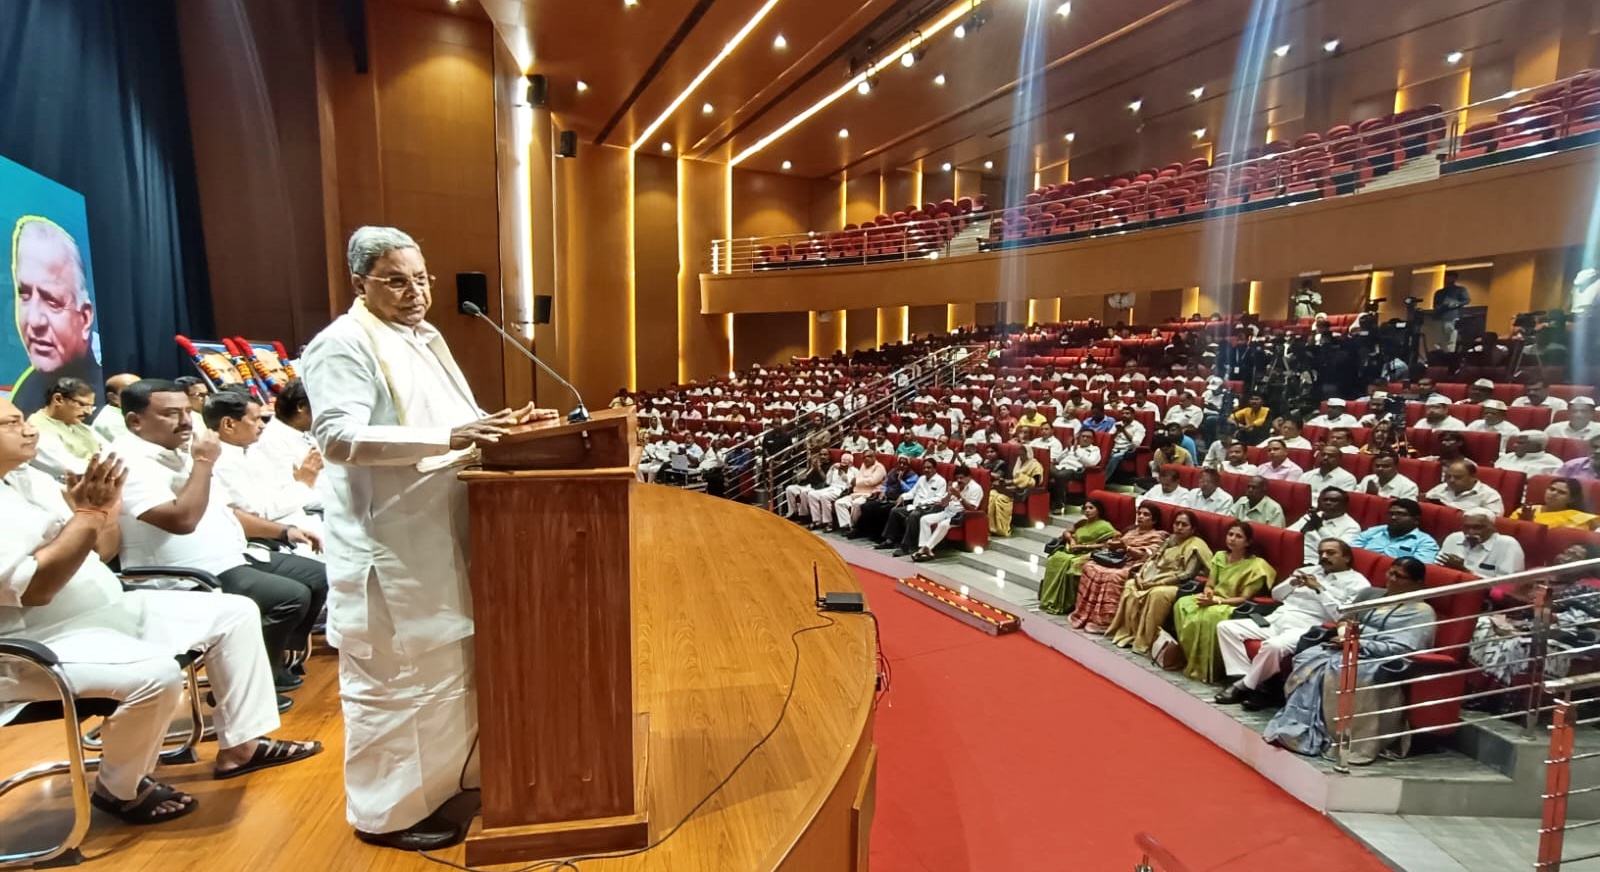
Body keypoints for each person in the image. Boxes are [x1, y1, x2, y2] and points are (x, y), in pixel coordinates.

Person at [300, 226, 559, 849]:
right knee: (395, 684)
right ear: (360, 282)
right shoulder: (343, 344)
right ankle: (387, 814)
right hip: (386, 551)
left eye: (420, 277)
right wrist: (453, 438)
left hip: (438, 540)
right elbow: (335, 437)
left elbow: (460, 426)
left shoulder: (422, 337)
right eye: (396, 279)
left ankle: (445, 785)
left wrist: (503, 428)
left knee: (447, 675)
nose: (414, 291)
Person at [0, 400, 320, 825]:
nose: (28, 430)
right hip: (38, 644)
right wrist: (88, 515)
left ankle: (242, 745)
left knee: (235, 612)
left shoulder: (29, 480)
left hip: (107, 609)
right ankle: (119, 788)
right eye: (10, 424)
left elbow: (101, 550)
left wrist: (101, 514)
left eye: (23, 419)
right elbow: (38, 590)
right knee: (155, 674)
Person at [113, 379, 329, 692]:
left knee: (317, 576)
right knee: (288, 597)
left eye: (188, 411)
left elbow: (229, 512)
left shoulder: (182, 452)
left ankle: (274, 660)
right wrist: (203, 463)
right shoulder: (129, 461)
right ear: (136, 421)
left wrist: (284, 531)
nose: (186, 421)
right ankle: (245, 688)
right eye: (171, 414)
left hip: (231, 555)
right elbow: (182, 520)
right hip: (185, 575)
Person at [1263, 558, 1436, 763]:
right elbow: (1347, 618)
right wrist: (1344, 632)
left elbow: (1402, 648)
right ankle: (1303, 728)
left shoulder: (1421, 612)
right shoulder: (1373, 595)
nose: (1391, 579)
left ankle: (1339, 738)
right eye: (1390, 572)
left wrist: (1356, 644)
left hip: (1381, 660)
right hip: (1348, 647)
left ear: (1418, 583)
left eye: (1399, 576)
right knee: (1309, 658)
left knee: (1340, 670)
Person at [1214, 539, 1370, 707]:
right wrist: (1291, 583)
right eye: (1321, 553)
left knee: (1273, 646)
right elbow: (1276, 595)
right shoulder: (1308, 570)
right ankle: (1244, 679)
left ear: (1346, 558)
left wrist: (1319, 589)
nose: (1324, 557)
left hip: (1306, 627)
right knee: (1226, 627)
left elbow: (1342, 615)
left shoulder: (1358, 583)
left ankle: (1241, 686)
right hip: (1277, 619)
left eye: (1331, 553)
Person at [1469, 543, 1600, 703]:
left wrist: (1535, 617)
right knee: (1482, 625)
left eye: (1575, 556)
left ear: (1588, 566)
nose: (1565, 557)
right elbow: (1503, 589)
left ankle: (1501, 699)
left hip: (1565, 635)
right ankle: (1475, 688)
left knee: (1517, 643)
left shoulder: (1589, 588)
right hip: (1527, 622)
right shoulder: (1541, 573)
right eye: (1566, 551)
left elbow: (1584, 621)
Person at [205, 390, 323, 549]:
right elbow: (258, 514)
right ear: (229, 424)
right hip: (273, 538)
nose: (262, 425)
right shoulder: (221, 462)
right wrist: (304, 483)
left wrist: (300, 485)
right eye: (255, 419)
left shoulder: (252, 449)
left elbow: (283, 492)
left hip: (300, 521)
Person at [7, 217, 102, 414]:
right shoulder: (25, 392)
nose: (34, 320)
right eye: (24, 295)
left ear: (85, 318)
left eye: (52, 301)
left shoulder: (102, 402)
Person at [1173, 521, 1277, 683]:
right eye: (1230, 534)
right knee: (1183, 603)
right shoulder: (1220, 556)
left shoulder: (1257, 566)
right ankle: (1191, 659)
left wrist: (1217, 601)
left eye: (1238, 536)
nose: (1233, 539)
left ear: (1248, 542)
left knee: (1208, 616)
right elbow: (1210, 584)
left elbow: (1244, 598)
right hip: (1213, 599)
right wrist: (1208, 594)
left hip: (1231, 604)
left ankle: (1210, 669)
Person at [1105, 510, 1214, 654]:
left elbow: (1187, 574)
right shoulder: (1170, 539)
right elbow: (1154, 559)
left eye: (1184, 525)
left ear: (1192, 529)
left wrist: (1156, 583)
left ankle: (1146, 640)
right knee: (1131, 585)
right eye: (1177, 523)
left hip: (1175, 584)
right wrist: (1140, 575)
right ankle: (1129, 632)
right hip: (1156, 576)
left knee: (1157, 594)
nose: (1179, 527)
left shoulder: (1196, 545)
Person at [1068, 503, 1169, 633]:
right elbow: (1116, 546)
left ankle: (1105, 620)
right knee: (1089, 567)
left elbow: (1147, 556)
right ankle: (1086, 614)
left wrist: (1126, 548)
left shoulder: (1158, 536)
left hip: (1135, 565)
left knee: (1112, 576)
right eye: (1139, 514)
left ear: (1154, 520)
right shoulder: (1131, 531)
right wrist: (1112, 544)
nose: (1141, 517)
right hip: (1117, 560)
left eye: (1146, 515)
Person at [1036, 499, 1118, 615]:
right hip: (1073, 549)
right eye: (1085, 508)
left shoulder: (1105, 526)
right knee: (1054, 558)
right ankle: (1051, 598)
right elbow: (1066, 532)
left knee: (1070, 564)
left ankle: (1066, 603)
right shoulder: (1082, 523)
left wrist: (1085, 546)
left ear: (1098, 510)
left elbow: (1108, 544)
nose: (1087, 511)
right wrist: (1072, 540)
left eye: (1091, 508)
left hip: (1087, 552)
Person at [26, 376, 107, 481]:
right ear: (58, 399)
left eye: (91, 406)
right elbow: (73, 469)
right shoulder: (36, 431)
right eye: (82, 404)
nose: (89, 412)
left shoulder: (80, 425)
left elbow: (112, 453)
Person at [911, 466, 983, 561]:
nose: (959, 480)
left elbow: (973, 509)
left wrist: (959, 496)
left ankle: (925, 549)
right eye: (957, 478)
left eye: (961, 478)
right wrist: (949, 494)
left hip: (960, 516)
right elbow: (944, 504)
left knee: (943, 524)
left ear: (969, 477)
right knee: (924, 519)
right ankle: (924, 549)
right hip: (947, 512)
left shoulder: (976, 488)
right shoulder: (955, 485)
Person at [879, 458, 947, 556]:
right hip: (915, 506)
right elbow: (912, 493)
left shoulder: (941, 481)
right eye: (924, 468)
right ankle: (889, 540)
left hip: (929, 508)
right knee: (895, 511)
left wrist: (923, 502)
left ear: (935, 469)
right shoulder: (921, 479)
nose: (926, 470)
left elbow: (939, 499)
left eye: (929, 467)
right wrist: (903, 496)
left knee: (914, 516)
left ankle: (906, 546)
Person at [1438, 508, 1525, 578]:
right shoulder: (1453, 538)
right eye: (1466, 527)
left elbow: (1507, 586)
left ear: (1492, 527)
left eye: (1477, 528)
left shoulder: (1507, 545)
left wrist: (1465, 572)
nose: (1470, 532)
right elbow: (1437, 569)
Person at [1288, 487, 1362, 566]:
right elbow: (1288, 533)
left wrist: (1320, 527)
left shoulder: (1352, 527)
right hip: (1290, 554)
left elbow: (1339, 550)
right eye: (1325, 500)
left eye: (1333, 500)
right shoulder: (1313, 516)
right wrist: (1302, 530)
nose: (1328, 503)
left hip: (1315, 563)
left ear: (1345, 504)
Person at [1352, 498, 1440, 562]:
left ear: (1416, 520)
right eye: (1391, 513)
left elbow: (1417, 570)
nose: (1393, 517)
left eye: (1400, 514)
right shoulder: (1375, 531)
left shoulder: (1426, 542)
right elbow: (1351, 550)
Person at [853, 455, 918, 541]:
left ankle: (879, 535)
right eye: (900, 463)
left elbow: (910, 491)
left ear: (908, 465)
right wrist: (883, 491)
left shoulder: (912, 475)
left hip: (899, 500)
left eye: (904, 464)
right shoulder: (892, 471)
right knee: (866, 506)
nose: (902, 465)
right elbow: (885, 484)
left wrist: (900, 481)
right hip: (886, 497)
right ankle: (863, 531)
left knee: (882, 510)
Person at [987, 443, 1043, 537]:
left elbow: (1035, 482)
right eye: (1019, 454)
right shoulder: (1018, 462)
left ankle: (1002, 529)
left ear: (1029, 454)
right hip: (1011, 487)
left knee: (1001, 499)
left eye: (1023, 455)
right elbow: (1013, 479)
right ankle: (991, 528)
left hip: (1022, 490)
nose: (1021, 457)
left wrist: (1016, 482)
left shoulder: (1035, 465)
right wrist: (1007, 482)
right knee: (992, 495)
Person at [1425, 459, 1505, 515]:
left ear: (1473, 476)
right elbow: (1425, 501)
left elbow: (1494, 521)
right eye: (1448, 476)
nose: (1451, 480)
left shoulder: (1489, 495)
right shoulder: (1442, 487)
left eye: (1458, 477)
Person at [1048, 429, 1101, 513]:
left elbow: (1091, 463)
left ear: (1092, 440)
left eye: (1088, 437)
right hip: (1061, 467)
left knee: (1061, 475)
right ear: (1079, 438)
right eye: (1083, 436)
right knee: (1045, 469)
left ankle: (1059, 505)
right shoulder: (1073, 447)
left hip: (1076, 471)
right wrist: (1068, 449)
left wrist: (1077, 451)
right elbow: (1057, 460)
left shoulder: (1094, 450)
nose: (1085, 439)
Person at [1518, 477, 1599, 530]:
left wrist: (1530, 524)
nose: (1554, 494)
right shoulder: (1526, 510)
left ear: (1572, 499)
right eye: (1552, 489)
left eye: (1562, 492)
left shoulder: (1578, 519)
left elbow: (1560, 541)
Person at [804, 453, 857, 531]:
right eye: (842, 462)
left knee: (824, 496)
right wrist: (831, 469)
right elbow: (828, 482)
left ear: (851, 463)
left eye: (846, 462)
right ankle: (817, 520)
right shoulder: (836, 468)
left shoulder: (854, 471)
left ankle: (829, 522)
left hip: (842, 490)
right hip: (831, 487)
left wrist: (845, 477)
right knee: (812, 494)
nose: (843, 464)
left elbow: (853, 485)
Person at [833, 453, 886, 530]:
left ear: (874, 457)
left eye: (869, 456)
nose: (866, 459)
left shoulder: (879, 467)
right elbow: (857, 480)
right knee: (839, 503)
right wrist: (853, 483)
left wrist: (856, 481)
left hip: (869, 494)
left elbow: (872, 481)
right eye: (864, 457)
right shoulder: (863, 465)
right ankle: (847, 526)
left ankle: (853, 527)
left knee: (856, 503)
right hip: (856, 493)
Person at [91, 372, 140, 443]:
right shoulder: (111, 421)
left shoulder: (130, 411)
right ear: (113, 398)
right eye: (133, 391)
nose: (141, 394)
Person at [1429, 271, 1470, 352]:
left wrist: (1456, 304)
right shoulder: (1439, 292)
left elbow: (1467, 300)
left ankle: (1449, 358)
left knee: (1450, 340)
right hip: (1439, 317)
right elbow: (1435, 305)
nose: (1448, 279)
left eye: (1450, 277)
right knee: (1438, 341)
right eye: (1447, 277)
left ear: (1455, 278)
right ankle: (1438, 358)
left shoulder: (1460, 290)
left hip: (1451, 317)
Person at [1104, 406, 1146, 482]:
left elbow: (1136, 444)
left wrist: (1124, 431)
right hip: (1113, 448)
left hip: (1128, 451)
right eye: (1122, 413)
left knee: (1115, 456)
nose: (1124, 415)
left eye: (1127, 413)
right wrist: (1117, 431)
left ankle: (1103, 480)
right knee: (1101, 453)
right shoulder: (1117, 424)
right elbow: (1108, 438)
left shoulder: (1138, 427)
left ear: (1133, 415)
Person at [1496, 431, 1564, 477]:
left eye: (1520, 443)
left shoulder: (1554, 464)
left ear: (1537, 446)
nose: (1514, 445)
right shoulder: (1506, 457)